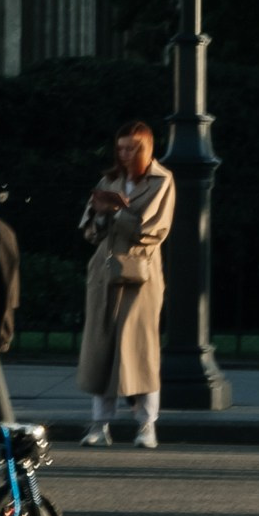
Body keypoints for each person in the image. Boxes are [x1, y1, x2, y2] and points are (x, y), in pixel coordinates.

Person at [76, 121, 173, 450]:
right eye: (121, 148)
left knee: (140, 350)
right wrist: (101, 214)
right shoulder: (109, 180)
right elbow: (90, 231)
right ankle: (99, 424)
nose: (125, 154)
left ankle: (146, 426)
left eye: (132, 148)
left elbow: (154, 229)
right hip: (104, 271)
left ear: (146, 149)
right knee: (100, 348)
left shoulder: (162, 180)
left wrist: (116, 213)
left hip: (141, 275)